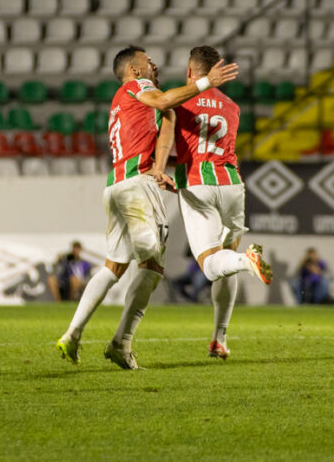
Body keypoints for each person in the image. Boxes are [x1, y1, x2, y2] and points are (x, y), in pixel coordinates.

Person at [56, 45, 238, 370]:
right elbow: (165, 101)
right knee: (152, 262)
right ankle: (121, 342)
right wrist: (205, 82)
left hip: (116, 186)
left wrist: (159, 166)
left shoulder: (131, 101)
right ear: (135, 70)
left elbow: (165, 120)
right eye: (146, 61)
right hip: (136, 187)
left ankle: (73, 334)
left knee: (114, 267)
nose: (154, 63)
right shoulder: (139, 87)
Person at [154, 45, 273, 360]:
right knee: (225, 262)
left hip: (200, 185)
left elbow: (182, 144)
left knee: (210, 265)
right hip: (232, 186)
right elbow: (211, 147)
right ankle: (220, 338)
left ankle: (249, 261)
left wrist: (162, 170)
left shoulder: (181, 98)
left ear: (190, 71)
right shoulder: (232, 107)